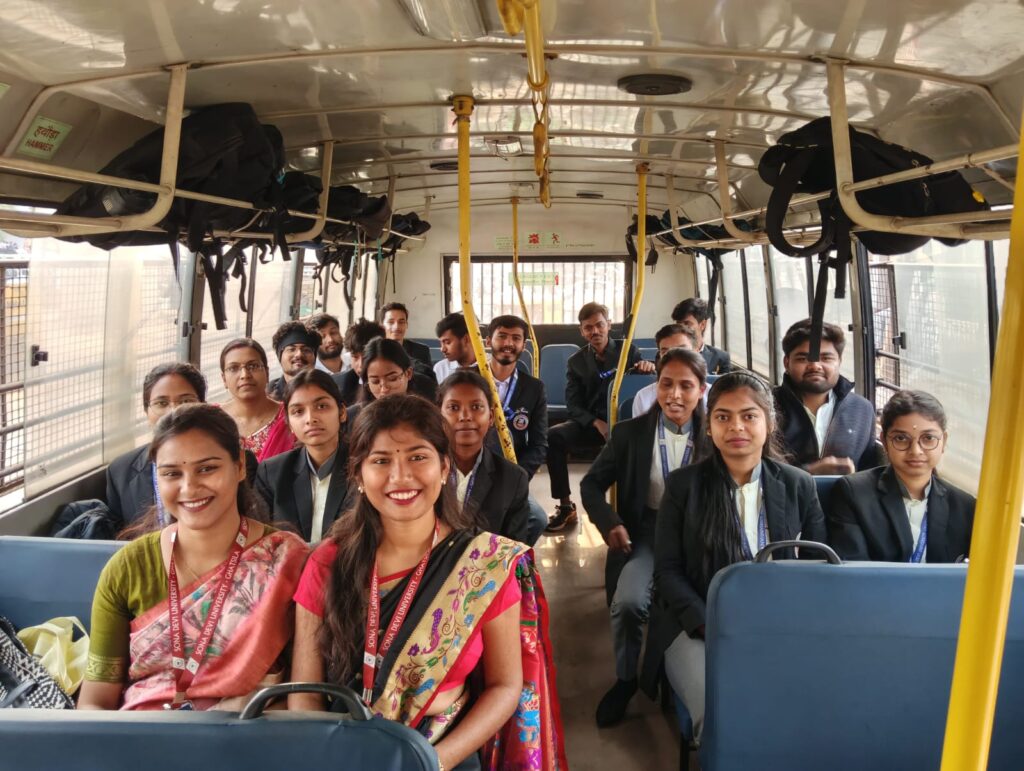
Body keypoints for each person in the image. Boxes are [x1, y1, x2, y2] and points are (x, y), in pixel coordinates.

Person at [289, 395, 565, 770]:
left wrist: (432, 762)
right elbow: (304, 691)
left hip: (442, 750)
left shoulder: (482, 565)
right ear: (358, 475)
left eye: (418, 457)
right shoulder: (328, 562)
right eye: (381, 461)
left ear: (444, 466)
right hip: (342, 751)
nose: (400, 476)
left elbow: (505, 686)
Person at [78, 404, 308, 711]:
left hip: (248, 733)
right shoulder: (127, 569)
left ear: (240, 466)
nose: (189, 487)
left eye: (207, 469)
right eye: (172, 473)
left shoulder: (288, 561)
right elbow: (94, 703)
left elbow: (304, 698)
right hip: (143, 733)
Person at [642, 372, 827, 744]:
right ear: (709, 427)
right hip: (697, 625)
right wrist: (710, 624)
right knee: (721, 713)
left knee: (810, 704)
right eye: (723, 417)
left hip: (780, 623)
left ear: (769, 423)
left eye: (749, 416)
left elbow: (819, 568)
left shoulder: (798, 484)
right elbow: (668, 572)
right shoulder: (683, 486)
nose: (736, 427)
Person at [580, 348, 710, 728]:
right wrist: (610, 523)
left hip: (703, 538)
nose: (674, 395)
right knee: (629, 603)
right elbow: (590, 485)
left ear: (702, 390)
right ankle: (626, 680)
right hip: (648, 534)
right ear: (656, 386)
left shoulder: (716, 435)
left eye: (686, 386)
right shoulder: (629, 434)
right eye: (666, 384)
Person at [827, 390, 975, 563]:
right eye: (901, 438)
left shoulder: (965, 507)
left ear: (944, 441)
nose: (916, 451)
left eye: (928, 438)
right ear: (884, 441)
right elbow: (854, 569)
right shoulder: (853, 494)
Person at [545, 302, 655, 532]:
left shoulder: (628, 351)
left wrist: (648, 366)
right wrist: (596, 423)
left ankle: (630, 509)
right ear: (581, 331)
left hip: (622, 423)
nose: (594, 331)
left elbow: (641, 382)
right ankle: (566, 506)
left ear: (609, 325)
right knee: (554, 436)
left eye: (599, 325)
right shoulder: (576, 362)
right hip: (591, 423)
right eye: (588, 328)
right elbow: (573, 404)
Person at [254, 370, 351, 543]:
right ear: (289, 423)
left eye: (321, 406)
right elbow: (261, 537)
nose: (310, 419)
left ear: (342, 412)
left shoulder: (363, 466)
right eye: (298, 411)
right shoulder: (272, 473)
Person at [773, 318, 879, 474]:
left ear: (839, 361)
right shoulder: (766, 406)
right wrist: (810, 472)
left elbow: (869, 470)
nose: (815, 366)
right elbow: (752, 468)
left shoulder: (861, 409)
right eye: (803, 359)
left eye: (826, 358)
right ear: (787, 363)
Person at [105, 363, 204, 528]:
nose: (173, 411)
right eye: (161, 403)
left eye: (186, 401)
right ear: (146, 411)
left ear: (204, 406)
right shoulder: (121, 471)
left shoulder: (229, 459)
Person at [438, 370, 530, 543]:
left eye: (476, 407)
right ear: (439, 415)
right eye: (454, 408)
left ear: (491, 417)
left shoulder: (513, 479)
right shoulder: (423, 471)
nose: (465, 417)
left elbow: (513, 548)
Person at [484, 315, 549, 545]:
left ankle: (508, 560)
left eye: (516, 338)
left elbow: (539, 444)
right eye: (502, 336)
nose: (508, 343)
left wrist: (518, 478)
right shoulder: (467, 379)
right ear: (488, 341)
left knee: (537, 520)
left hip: (510, 473)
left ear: (523, 345)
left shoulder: (534, 388)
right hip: (471, 471)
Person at [219, 338, 295, 462]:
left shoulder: (291, 416)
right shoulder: (211, 420)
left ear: (267, 373)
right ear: (224, 379)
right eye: (233, 368)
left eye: (253, 366)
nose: (245, 375)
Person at [631, 323, 699, 418]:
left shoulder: (712, 396)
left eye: (682, 350)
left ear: (696, 352)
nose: (673, 358)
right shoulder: (644, 398)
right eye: (665, 352)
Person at [360, 337, 438, 403]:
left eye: (392, 379)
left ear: (408, 373)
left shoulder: (426, 409)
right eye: (375, 381)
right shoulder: (357, 414)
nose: (384, 390)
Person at [671, 298, 731, 375]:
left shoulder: (720, 358)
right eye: (679, 323)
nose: (681, 328)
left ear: (702, 324)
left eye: (687, 323)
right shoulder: (667, 353)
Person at [334, 318, 386, 405]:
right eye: (355, 357)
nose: (361, 365)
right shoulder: (340, 384)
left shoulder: (397, 383)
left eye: (366, 357)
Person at [266, 321, 320, 401]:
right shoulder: (266, 395)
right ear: (280, 356)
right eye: (292, 349)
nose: (299, 354)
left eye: (306, 350)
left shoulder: (328, 389)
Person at [380, 301, 433, 374]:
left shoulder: (421, 351)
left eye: (401, 322)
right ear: (382, 326)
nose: (396, 327)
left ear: (407, 325)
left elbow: (429, 379)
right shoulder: (375, 351)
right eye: (391, 322)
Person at [434, 311, 478, 382]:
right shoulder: (440, 368)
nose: (442, 349)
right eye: (441, 343)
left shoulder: (491, 365)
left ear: (466, 339)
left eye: (447, 342)